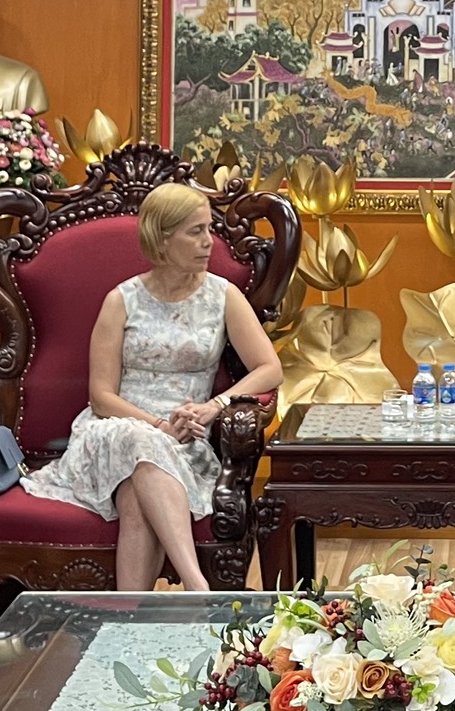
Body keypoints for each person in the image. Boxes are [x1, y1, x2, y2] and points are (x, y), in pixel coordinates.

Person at [19, 183, 282, 590]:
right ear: (162, 239)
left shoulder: (223, 296)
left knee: (136, 504)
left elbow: (269, 368)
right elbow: (101, 397)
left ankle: (132, 619)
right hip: (113, 430)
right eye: (195, 231)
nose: (209, 242)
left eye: (209, 229)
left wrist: (214, 406)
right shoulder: (121, 301)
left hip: (186, 436)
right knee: (140, 441)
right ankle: (196, 584)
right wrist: (158, 426)